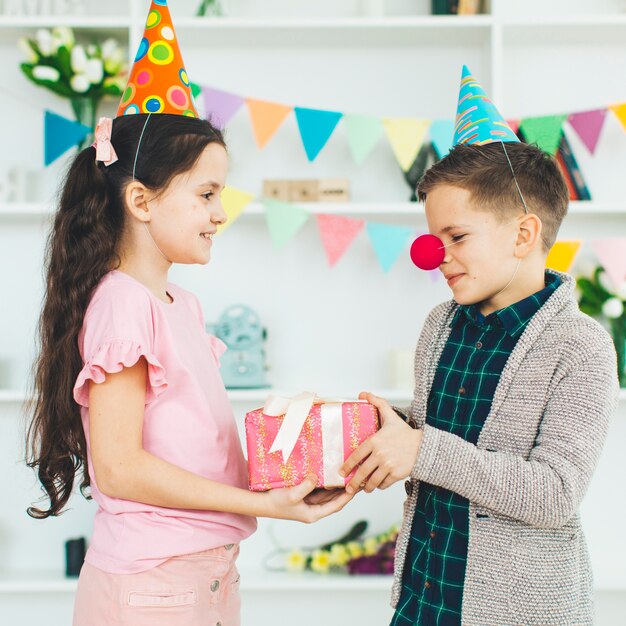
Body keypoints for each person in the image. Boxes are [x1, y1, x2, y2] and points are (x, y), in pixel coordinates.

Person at [25, 3, 352, 625]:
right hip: (156, 587)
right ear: (141, 200)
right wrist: (266, 505)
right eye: (206, 194)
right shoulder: (123, 305)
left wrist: (292, 466)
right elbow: (120, 471)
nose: (220, 213)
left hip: (201, 576)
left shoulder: (179, 304)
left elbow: (191, 451)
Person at [340, 67, 619, 625]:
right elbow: (436, 435)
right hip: (424, 598)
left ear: (523, 234)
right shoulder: (440, 325)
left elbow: (554, 493)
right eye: (432, 237)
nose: (435, 255)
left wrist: (419, 450)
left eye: (457, 237)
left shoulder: (582, 346)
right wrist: (362, 428)